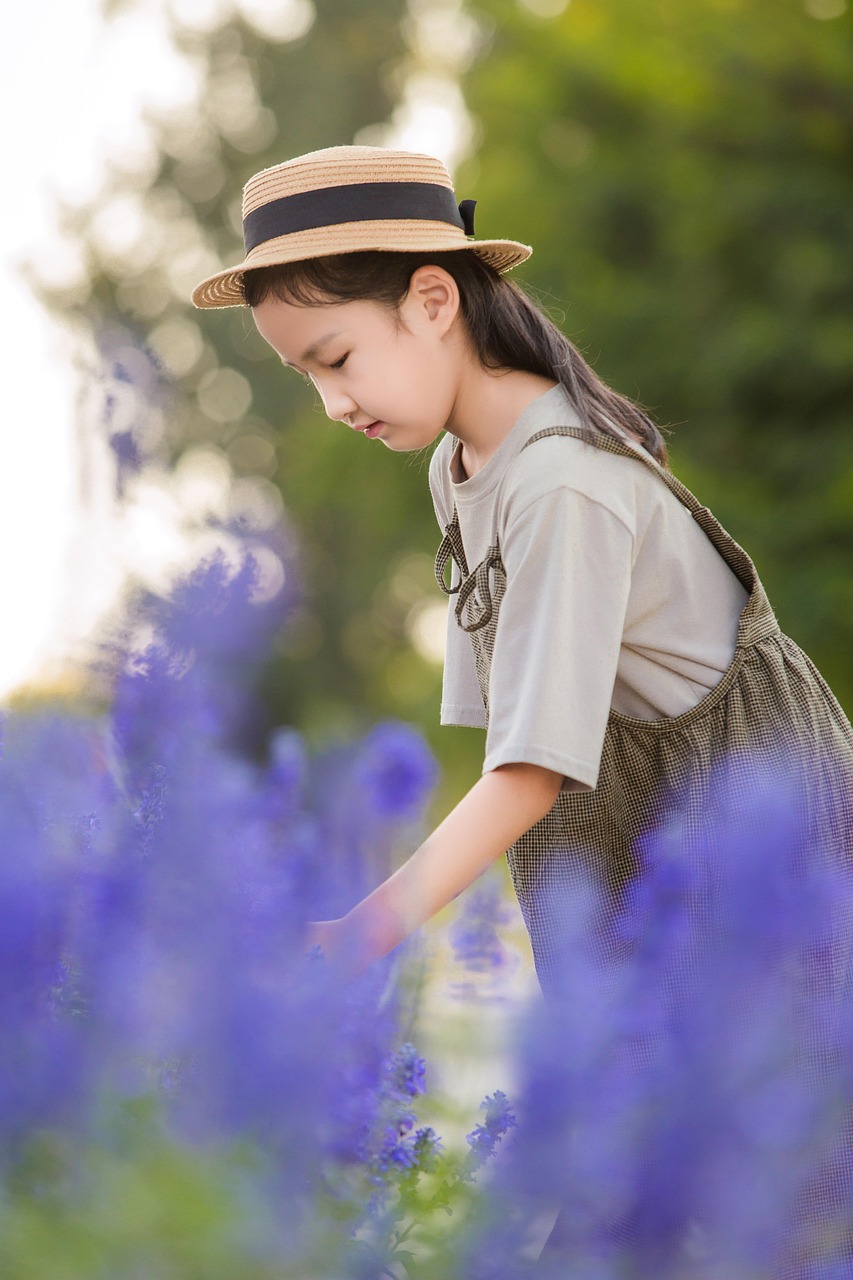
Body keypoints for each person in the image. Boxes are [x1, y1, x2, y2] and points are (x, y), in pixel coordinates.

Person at [193, 145, 853, 1260]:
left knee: (782, 1202)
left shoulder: (562, 481)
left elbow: (530, 771)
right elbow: (514, 747)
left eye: (337, 355)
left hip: (770, 865)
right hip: (655, 876)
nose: (331, 400)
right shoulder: (461, 470)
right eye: (304, 373)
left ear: (434, 299)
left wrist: (361, 931)